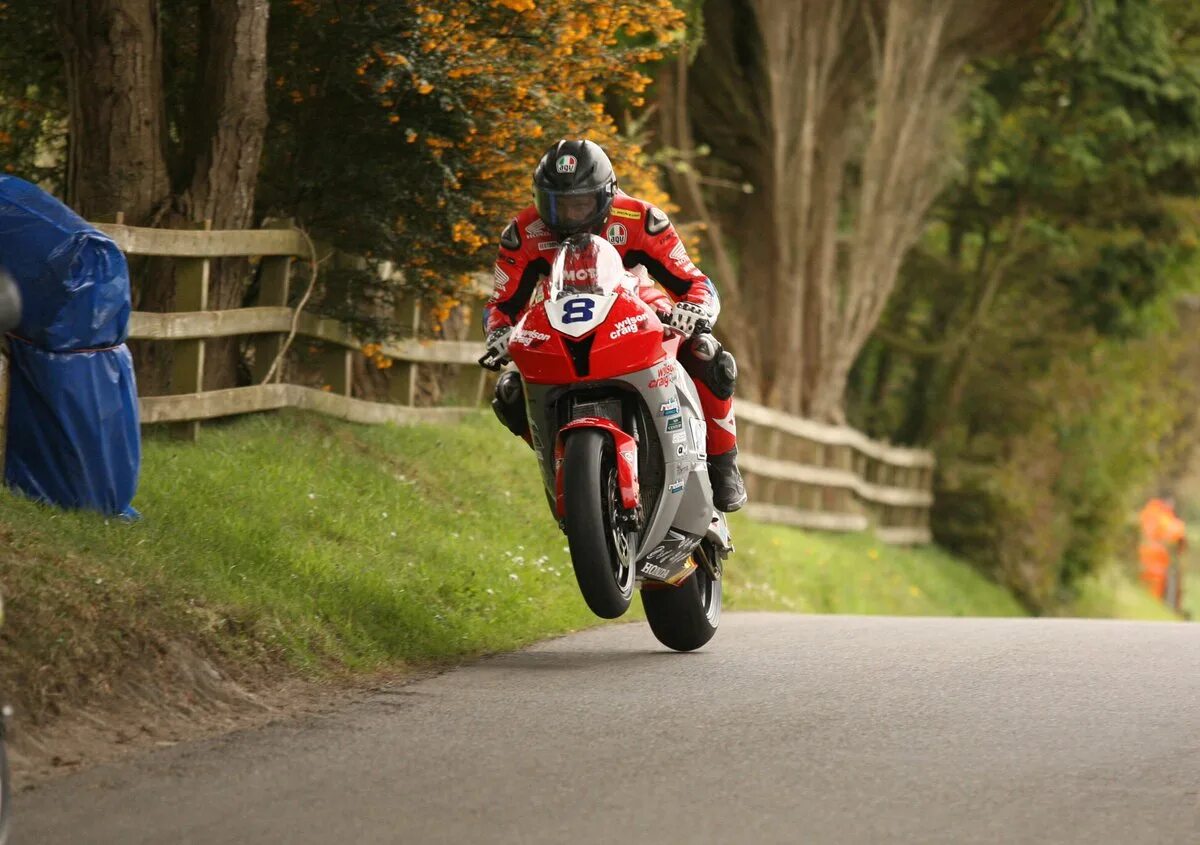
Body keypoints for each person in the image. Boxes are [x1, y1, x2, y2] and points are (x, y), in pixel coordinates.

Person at [482, 139, 746, 512]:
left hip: (639, 309)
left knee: (707, 353)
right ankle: (564, 465)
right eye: (557, 204)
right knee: (509, 391)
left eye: (581, 204)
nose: (570, 216)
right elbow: (501, 304)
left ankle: (724, 463)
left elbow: (694, 281)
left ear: (606, 195)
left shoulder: (640, 218)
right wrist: (497, 333)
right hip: (556, 321)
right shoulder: (523, 232)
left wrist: (695, 310)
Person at [1138, 495, 1188, 611]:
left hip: (1144, 558)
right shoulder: (1165, 519)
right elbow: (1177, 534)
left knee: (1146, 589)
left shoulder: (1148, 513)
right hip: (1157, 561)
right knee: (1156, 591)